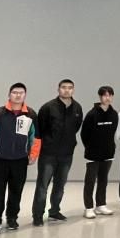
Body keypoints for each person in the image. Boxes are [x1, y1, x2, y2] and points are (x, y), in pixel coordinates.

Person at [0, 83, 40, 232]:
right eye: (15, 92)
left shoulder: (30, 114)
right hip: (0, 160)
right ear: (9, 95)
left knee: (16, 191)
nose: (18, 95)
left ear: (25, 95)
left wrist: (33, 154)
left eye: (21, 93)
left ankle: (12, 219)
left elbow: (35, 137)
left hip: (20, 160)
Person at [33, 79, 84, 226]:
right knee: (42, 186)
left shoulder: (77, 108)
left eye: (70, 88)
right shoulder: (48, 107)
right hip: (48, 154)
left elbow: (76, 127)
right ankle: (37, 215)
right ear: (58, 89)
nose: (67, 90)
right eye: (63, 87)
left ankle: (54, 211)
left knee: (60, 185)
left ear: (73, 90)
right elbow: (40, 130)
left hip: (66, 154)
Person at [80, 86, 118, 218]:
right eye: (105, 95)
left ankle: (101, 205)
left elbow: (113, 132)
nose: (108, 98)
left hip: (108, 153)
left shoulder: (114, 114)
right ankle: (89, 207)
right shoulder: (92, 114)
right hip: (93, 154)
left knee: (103, 180)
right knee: (90, 181)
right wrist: (91, 147)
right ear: (100, 97)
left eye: (110, 95)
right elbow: (84, 134)